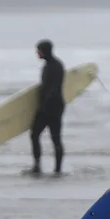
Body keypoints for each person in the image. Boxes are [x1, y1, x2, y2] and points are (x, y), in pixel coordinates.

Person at [30, 39, 65, 174]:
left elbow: (54, 89)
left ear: (44, 51)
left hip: (52, 107)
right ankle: (38, 166)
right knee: (35, 135)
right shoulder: (49, 65)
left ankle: (56, 169)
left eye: (38, 50)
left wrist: (44, 107)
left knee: (54, 137)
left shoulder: (55, 66)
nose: (37, 53)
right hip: (49, 106)